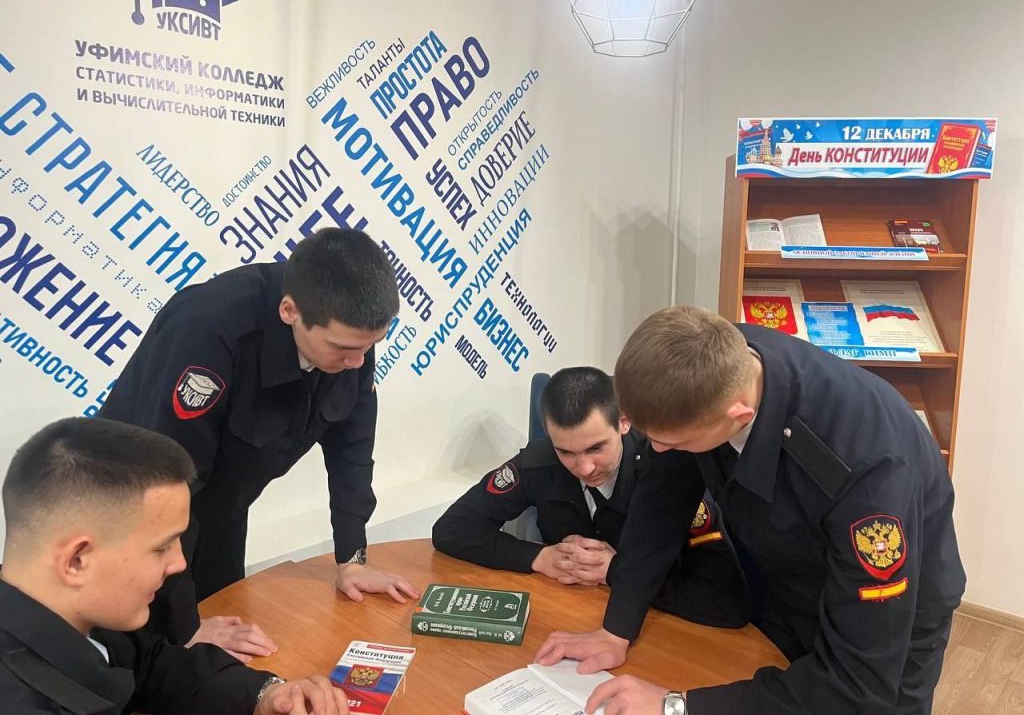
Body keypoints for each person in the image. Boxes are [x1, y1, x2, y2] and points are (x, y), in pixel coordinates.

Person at [535, 305, 966, 715]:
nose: (658, 450)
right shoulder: (711, 364)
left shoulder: (867, 475)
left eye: (672, 442)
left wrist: (676, 706)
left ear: (737, 415)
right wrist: (616, 628)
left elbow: (857, 685)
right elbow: (661, 501)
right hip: (787, 580)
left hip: (886, 613)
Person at [99, 227, 418, 661]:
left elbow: (352, 450)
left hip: (220, 511)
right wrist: (186, 624)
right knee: (146, 660)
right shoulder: (209, 329)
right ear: (290, 311)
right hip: (131, 523)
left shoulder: (349, 334)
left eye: (369, 347)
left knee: (229, 650)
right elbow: (163, 486)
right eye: (344, 348)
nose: (358, 362)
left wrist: (352, 558)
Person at [0, 416, 349, 715]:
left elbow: (151, 665)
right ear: (77, 560)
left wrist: (267, 695)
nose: (179, 563)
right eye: (161, 547)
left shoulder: (79, 615)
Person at [433, 367, 749, 629]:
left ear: (624, 422)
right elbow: (452, 529)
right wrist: (538, 557)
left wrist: (617, 572)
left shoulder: (670, 470)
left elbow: (728, 602)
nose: (584, 468)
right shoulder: (540, 463)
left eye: (596, 448)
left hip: (661, 629)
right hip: (565, 617)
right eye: (566, 452)